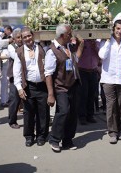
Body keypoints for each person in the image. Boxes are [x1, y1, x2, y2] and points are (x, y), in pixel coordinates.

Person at [44, 24, 84, 153]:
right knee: (63, 111)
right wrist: (50, 94)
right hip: (61, 87)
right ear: (62, 36)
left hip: (73, 85)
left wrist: (80, 41)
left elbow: (77, 56)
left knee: (72, 114)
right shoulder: (52, 51)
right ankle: (54, 139)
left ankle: (67, 140)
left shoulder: (69, 47)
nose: (71, 36)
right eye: (69, 34)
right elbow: (48, 74)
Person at [13, 27, 50, 147]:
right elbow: (17, 71)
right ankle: (29, 136)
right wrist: (19, 88)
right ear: (22, 39)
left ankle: (41, 136)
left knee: (43, 112)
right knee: (28, 113)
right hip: (28, 87)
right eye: (25, 37)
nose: (27, 38)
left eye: (29, 36)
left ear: (33, 36)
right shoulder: (19, 51)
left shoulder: (41, 48)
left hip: (42, 86)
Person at [77, 39, 100, 125]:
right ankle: (82, 116)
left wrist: (95, 46)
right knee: (83, 95)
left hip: (93, 70)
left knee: (92, 94)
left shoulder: (96, 42)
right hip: (82, 71)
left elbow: (100, 55)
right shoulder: (81, 42)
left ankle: (90, 115)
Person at [7, 28, 23, 129]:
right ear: (13, 38)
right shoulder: (11, 47)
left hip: (25, 77)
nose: (20, 39)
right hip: (14, 77)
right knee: (14, 100)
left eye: (21, 37)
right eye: (18, 37)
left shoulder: (26, 46)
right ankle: (12, 121)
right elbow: (15, 55)